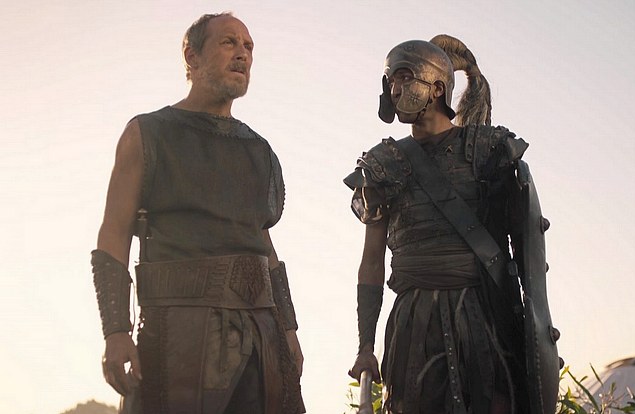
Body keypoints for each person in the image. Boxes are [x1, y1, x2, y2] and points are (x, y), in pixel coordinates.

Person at [92, 12, 304, 413]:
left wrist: (288, 329)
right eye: (229, 42)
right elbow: (114, 232)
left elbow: (263, 242)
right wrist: (116, 330)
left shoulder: (259, 150)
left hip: (261, 333)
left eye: (249, 46)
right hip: (178, 332)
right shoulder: (148, 133)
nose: (242, 53)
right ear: (192, 56)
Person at [346, 35, 557, 414]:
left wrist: (532, 338)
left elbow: (525, 250)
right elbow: (371, 261)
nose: (394, 90)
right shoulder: (383, 166)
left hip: (485, 319)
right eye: (390, 81)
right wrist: (365, 347)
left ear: (437, 87)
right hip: (414, 325)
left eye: (404, 77)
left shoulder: (489, 151)